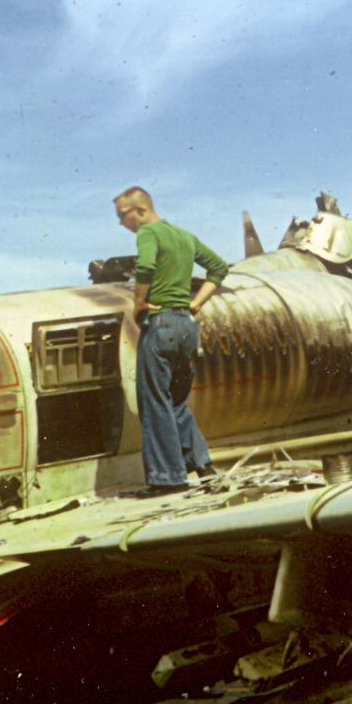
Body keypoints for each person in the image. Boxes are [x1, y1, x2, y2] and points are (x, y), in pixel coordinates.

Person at [114, 187, 229, 497]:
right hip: (186, 327)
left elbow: (147, 265)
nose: (121, 223)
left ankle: (168, 479)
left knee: (154, 402)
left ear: (139, 210)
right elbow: (219, 267)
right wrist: (197, 303)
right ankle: (203, 466)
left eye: (122, 215)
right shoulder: (184, 236)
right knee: (175, 401)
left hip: (161, 324)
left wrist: (139, 301)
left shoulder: (148, 232)